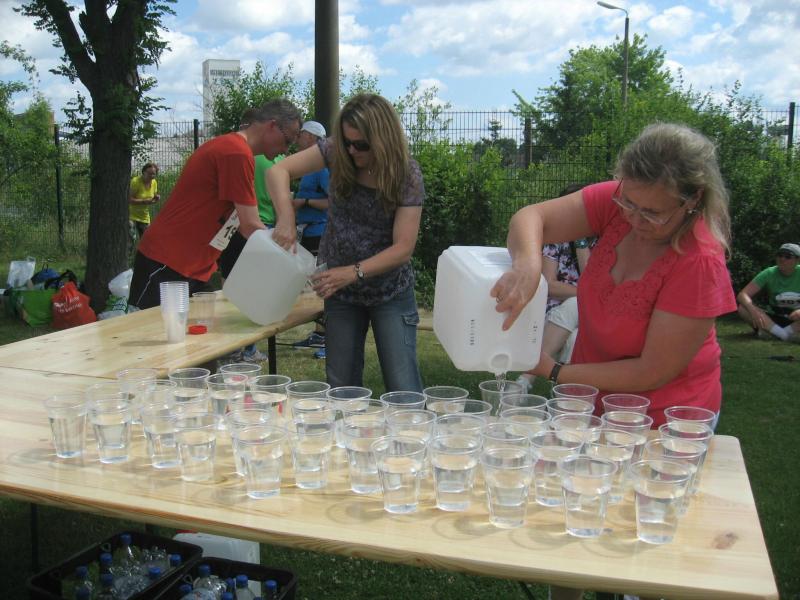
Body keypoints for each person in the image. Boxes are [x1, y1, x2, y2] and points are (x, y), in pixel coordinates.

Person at [492, 123, 737, 432]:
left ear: (693, 200)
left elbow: (652, 371)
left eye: (652, 213)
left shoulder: (699, 261)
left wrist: (553, 370)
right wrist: (528, 264)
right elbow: (530, 217)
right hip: (586, 402)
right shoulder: (616, 202)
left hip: (665, 421)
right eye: (629, 203)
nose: (635, 219)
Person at [267, 93, 425, 392]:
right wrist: (286, 217)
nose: (351, 151)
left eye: (361, 144)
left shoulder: (407, 174)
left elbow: (403, 248)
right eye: (346, 142)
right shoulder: (335, 151)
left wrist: (352, 272)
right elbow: (278, 171)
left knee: (403, 388)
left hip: (390, 291)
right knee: (342, 389)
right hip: (341, 294)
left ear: (383, 139)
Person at [128, 99, 301, 309]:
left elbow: (240, 223)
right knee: (150, 327)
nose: (285, 151)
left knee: (210, 326)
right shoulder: (236, 153)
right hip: (167, 260)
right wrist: (292, 259)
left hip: (196, 266)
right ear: (272, 126)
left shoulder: (237, 150)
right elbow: (250, 225)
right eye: (287, 141)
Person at [516, 184, 592, 392]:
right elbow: (549, 285)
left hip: (592, 317)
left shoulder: (603, 241)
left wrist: (581, 242)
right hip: (556, 317)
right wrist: (586, 295)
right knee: (575, 330)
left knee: (576, 311)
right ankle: (566, 398)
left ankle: (527, 379)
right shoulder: (555, 241)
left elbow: (591, 281)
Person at [289, 121, 331, 360]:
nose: (297, 138)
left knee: (322, 283)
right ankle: (319, 333)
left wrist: (304, 202)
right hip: (308, 232)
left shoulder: (322, 168)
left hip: (319, 232)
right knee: (314, 284)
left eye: (301, 134)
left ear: (312, 137)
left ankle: (329, 338)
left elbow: (334, 201)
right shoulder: (309, 166)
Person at [737, 242, 800, 341]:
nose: (782, 259)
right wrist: (753, 310)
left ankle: (772, 334)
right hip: (773, 319)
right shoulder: (769, 273)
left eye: (788, 256)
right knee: (743, 308)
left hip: (796, 319)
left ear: (797, 260)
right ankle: (783, 335)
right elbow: (742, 295)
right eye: (780, 255)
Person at [128, 162, 160, 256]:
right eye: (149, 174)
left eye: (154, 174)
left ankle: (143, 259)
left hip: (144, 216)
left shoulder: (154, 183)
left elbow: (152, 197)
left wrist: (156, 198)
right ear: (143, 172)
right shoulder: (135, 182)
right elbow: (128, 199)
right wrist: (143, 201)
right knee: (131, 238)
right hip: (131, 215)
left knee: (147, 240)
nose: (152, 176)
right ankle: (127, 259)